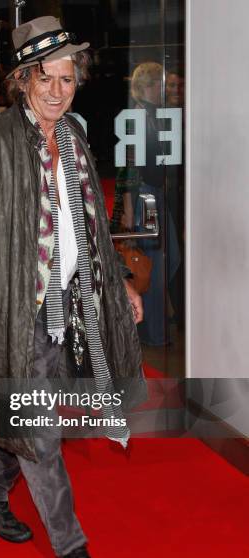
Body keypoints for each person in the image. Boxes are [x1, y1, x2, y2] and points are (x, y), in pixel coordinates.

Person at [0, 16, 146, 558]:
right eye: (45, 80)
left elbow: (91, 228)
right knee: (42, 431)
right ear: (22, 81)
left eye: (67, 79)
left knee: (27, 420)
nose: (58, 91)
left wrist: (121, 284)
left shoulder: (75, 137)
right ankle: (74, 552)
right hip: (13, 311)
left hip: (70, 308)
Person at [127, 62, 181, 346]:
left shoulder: (152, 115)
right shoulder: (138, 116)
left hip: (153, 194)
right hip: (146, 195)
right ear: (149, 85)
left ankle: (152, 328)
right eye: (161, 83)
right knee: (154, 264)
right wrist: (127, 206)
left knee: (166, 258)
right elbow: (129, 166)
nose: (165, 89)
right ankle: (153, 333)